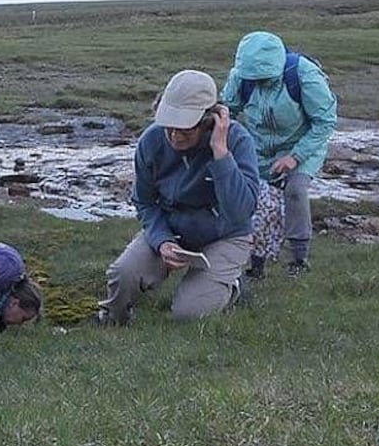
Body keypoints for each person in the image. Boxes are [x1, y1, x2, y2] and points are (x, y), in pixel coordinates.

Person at [98, 70, 259, 322]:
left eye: (185, 129)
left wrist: (220, 153)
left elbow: (241, 212)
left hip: (225, 235)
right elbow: (144, 202)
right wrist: (162, 241)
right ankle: (112, 317)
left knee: (189, 313)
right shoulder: (150, 141)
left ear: (209, 121)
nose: (175, 135)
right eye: (169, 126)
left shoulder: (238, 141)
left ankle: (232, 286)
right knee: (122, 275)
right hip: (173, 228)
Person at [221, 31, 337, 277]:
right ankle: (256, 263)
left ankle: (299, 259)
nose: (258, 82)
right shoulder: (240, 76)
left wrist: (295, 157)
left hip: (302, 145)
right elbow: (226, 111)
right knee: (257, 198)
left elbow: (324, 121)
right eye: (254, 78)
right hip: (258, 148)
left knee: (295, 191)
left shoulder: (304, 75)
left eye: (263, 78)